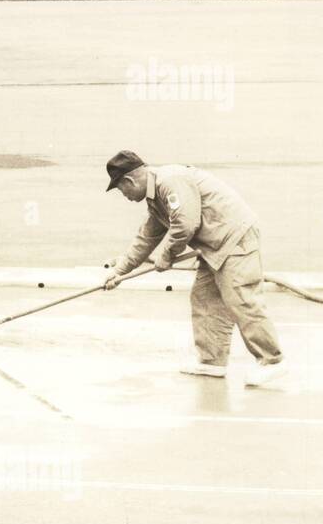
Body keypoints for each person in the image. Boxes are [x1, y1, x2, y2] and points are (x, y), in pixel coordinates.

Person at [102, 150, 284, 387]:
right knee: (205, 298)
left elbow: (185, 223)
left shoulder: (169, 182)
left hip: (234, 238)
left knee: (241, 298)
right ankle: (212, 361)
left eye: (120, 189)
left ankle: (272, 361)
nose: (123, 195)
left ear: (129, 181)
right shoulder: (155, 197)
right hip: (213, 246)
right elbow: (147, 237)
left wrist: (166, 255)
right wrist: (119, 272)